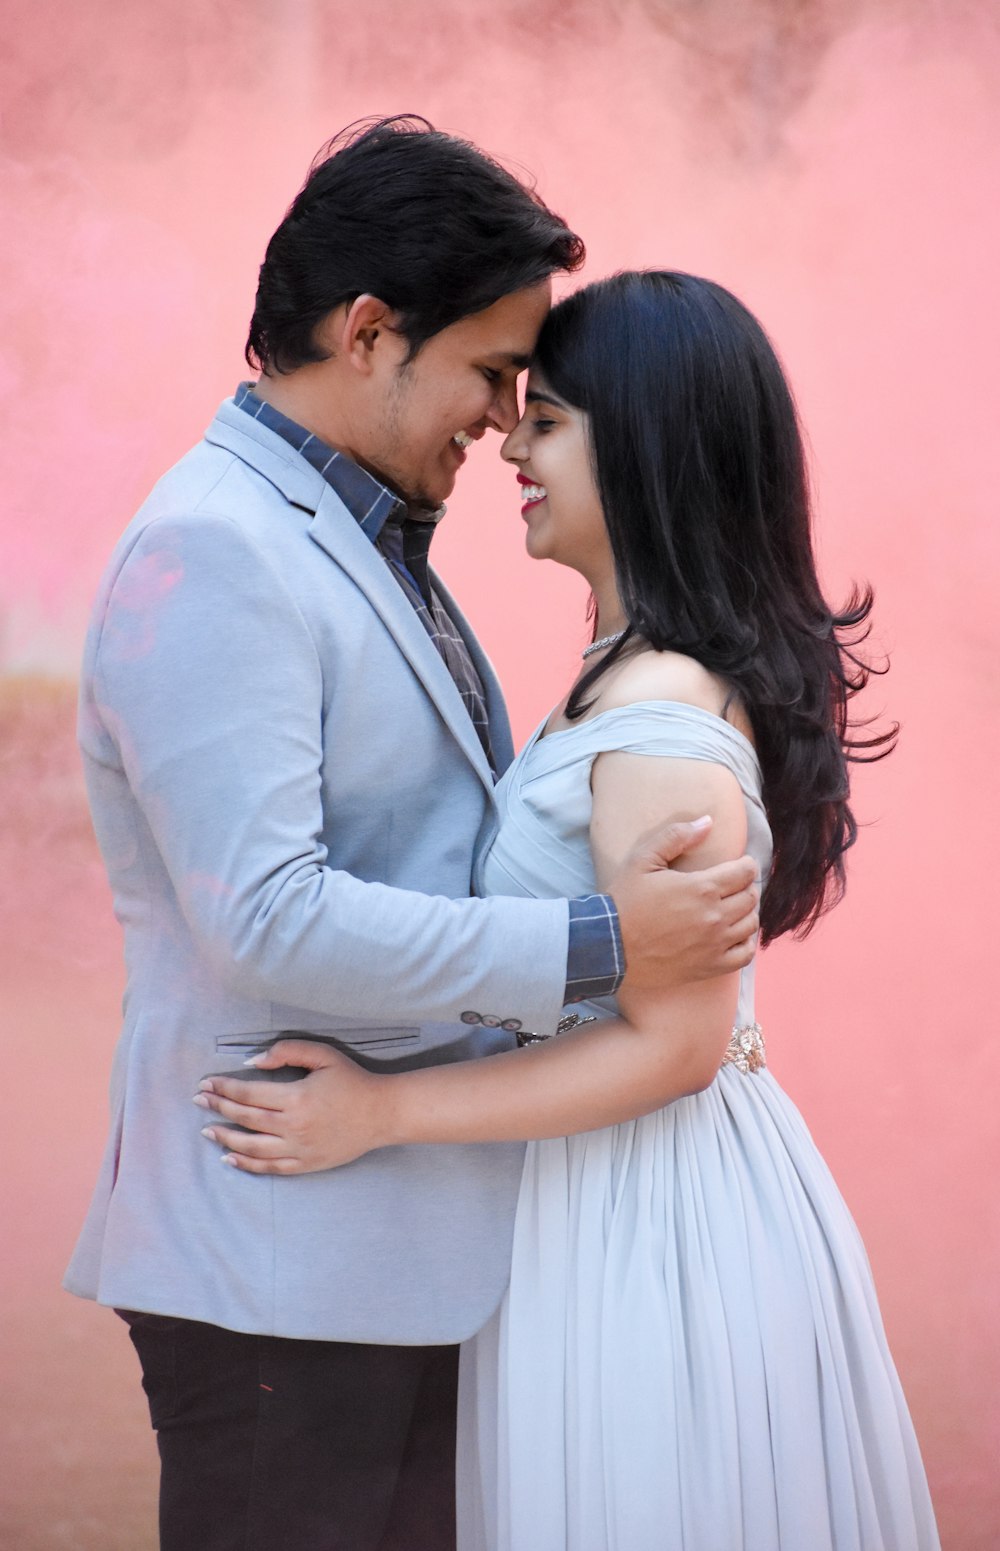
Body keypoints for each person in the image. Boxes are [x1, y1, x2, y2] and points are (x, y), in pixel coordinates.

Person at [65, 126, 761, 1551]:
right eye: (493, 370)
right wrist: (603, 944)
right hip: (284, 1269)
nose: (507, 417)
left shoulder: (352, 530)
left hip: (385, 1258)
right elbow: (266, 916)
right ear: (369, 330)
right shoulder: (221, 546)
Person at [198, 271, 941, 1550]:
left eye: (547, 422)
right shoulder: (626, 673)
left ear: (647, 446)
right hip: (592, 1200)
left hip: (649, 1218)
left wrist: (379, 1113)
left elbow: (677, 1043)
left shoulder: (657, 719)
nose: (510, 450)